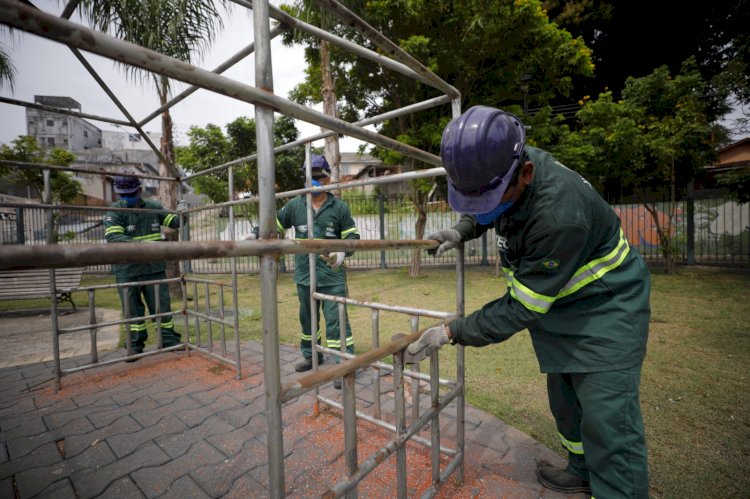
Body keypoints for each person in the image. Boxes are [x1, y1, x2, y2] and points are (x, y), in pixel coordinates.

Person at [408, 106, 651, 498]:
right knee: (567, 404)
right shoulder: (505, 164)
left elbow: (522, 306)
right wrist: (462, 228)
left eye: (487, 198)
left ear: (526, 175)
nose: (482, 207)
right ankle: (582, 470)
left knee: (608, 422)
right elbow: (487, 208)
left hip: (607, 309)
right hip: (562, 308)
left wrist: (451, 331)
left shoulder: (559, 215)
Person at [245, 155, 359, 388]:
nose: (314, 183)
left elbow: (353, 238)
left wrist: (342, 253)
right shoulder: (295, 205)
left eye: (318, 178)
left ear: (328, 179)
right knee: (308, 320)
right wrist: (255, 232)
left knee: (337, 321)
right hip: (305, 276)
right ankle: (311, 354)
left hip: (331, 276)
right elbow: (274, 224)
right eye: (310, 178)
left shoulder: (339, 207)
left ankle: (343, 363)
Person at [104, 175, 188, 359]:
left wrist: (182, 213)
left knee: (161, 308)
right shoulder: (115, 211)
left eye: (131, 194)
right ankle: (134, 345)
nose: (128, 198)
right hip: (127, 270)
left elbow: (173, 222)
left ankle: (169, 340)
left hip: (153, 269)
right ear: (117, 194)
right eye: (123, 195)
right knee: (132, 310)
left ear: (139, 191)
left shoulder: (153, 207)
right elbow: (113, 237)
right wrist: (143, 244)